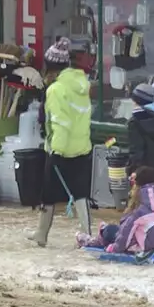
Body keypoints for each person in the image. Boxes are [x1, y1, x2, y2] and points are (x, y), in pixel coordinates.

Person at [33, 37, 93, 248]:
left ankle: (41, 234)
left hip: (60, 148)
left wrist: (55, 151)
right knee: (80, 193)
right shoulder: (81, 84)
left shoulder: (56, 90)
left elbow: (60, 122)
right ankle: (87, 234)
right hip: (82, 147)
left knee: (47, 193)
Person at [80, 166, 154, 256]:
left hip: (144, 246)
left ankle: (92, 241)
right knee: (119, 228)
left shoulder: (140, 212)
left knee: (109, 230)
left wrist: (115, 248)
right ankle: (96, 238)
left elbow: (125, 234)